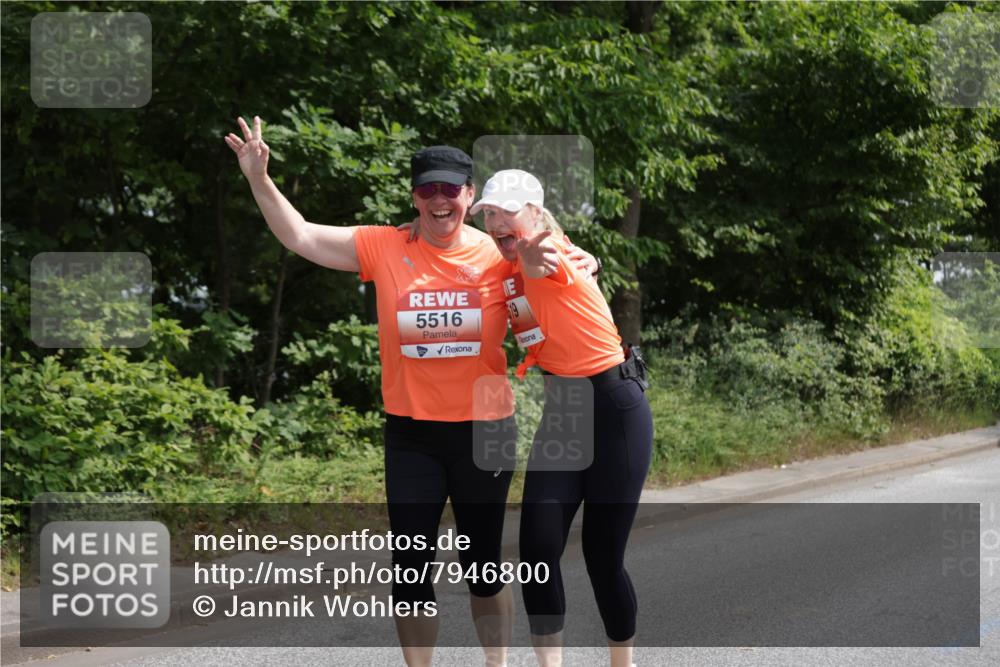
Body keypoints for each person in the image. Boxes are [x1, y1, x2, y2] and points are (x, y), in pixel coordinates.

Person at [224, 118, 597, 667]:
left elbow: (555, 257)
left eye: (451, 189)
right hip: (413, 435)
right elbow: (301, 235)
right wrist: (258, 178)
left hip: (486, 430)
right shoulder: (383, 245)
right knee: (411, 568)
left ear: (470, 196)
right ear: (415, 197)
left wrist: (589, 261)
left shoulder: (499, 254)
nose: (440, 200)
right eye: (429, 190)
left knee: (484, 565)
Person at [471, 169, 653, 667]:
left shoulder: (553, 255)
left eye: (505, 210)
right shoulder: (507, 263)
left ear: (535, 212)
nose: (494, 221)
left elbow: (541, 264)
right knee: (536, 552)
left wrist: (531, 259)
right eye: (488, 213)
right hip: (565, 411)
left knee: (602, 556)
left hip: (616, 408)